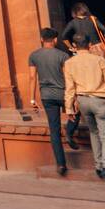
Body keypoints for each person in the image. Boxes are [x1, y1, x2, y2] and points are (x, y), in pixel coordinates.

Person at [63, 33, 105, 191]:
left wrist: (69, 108)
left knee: (93, 132)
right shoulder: (99, 60)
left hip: (83, 101)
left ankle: (98, 165)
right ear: (90, 44)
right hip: (100, 100)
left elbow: (69, 88)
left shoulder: (69, 63)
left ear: (74, 45)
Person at [59, 2, 105, 147]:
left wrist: (72, 48)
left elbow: (64, 36)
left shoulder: (73, 23)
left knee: (83, 80)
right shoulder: (93, 19)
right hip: (101, 51)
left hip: (82, 54)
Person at [27, 28, 72, 176]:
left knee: (54, 130)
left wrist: (32, 98)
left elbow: (32, 78)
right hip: (63, 94)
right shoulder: (63, 55)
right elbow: (68, 77)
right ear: (55, 40)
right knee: (76, 115)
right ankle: (70, 133)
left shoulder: (34, 56)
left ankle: (60, 164)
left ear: (41, 39)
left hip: (46, 96)